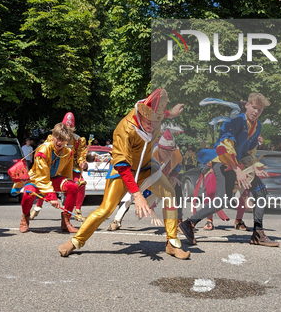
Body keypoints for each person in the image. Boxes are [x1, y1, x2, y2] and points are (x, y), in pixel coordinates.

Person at [58, 88, 190, 259]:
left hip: (146, 166)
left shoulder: (155, 115)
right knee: (106, 209)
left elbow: (161, 113)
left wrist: (171, 114)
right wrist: (137, 195)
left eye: (157, 121)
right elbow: (122, 165)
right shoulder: (125, 129)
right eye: (151, 121)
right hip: (123, 170)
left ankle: (172, 243)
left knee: (170, 194)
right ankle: (76, 241)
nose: (154, 126)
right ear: (142, 114)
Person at [178, 92, 278, 248]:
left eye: (260, 110)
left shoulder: (257, 126)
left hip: (238, 165)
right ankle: (189, 223)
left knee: (260, 192)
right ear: (246, 105)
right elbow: (225, 148)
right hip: (223, 162)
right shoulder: (234, 122)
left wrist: (255, 167)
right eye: (254, 107)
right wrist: (237, 170)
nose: (256, 112)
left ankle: (258, 233)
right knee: (222, 200)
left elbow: (248, 152)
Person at [108, 129, 183, 231]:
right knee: (130, 197)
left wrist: (174, 176)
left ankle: (178, 221)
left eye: (170, 151)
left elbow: (178, 165)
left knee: (176, 187)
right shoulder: (150, 155)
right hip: (143, 177)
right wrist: (151, 209)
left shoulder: (177, 154)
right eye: (165, 151)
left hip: (161, 177)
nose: (168, 154)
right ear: (159, 148)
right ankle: (117, 220)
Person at [14, 123, 82, 233]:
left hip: (54, 179)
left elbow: (66, 173)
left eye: (63, 140)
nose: (60, 143)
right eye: (58, 139)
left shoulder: (68, 152)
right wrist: (52, 197)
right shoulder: (43, 149)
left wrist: (68, 190)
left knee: (73, 186)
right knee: (28, 193)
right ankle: (25, 218)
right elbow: (42, 177)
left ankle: (66, 221)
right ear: (53, 136)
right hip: (37, 179)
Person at [29, 113, 88, 221]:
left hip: (69, 166)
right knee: (44, 181)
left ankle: (76, 211)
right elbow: (46, 151)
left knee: (80, 184)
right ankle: (37, 207)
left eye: (69, 129)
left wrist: (82, 163)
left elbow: (81, 155)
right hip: (53, 165)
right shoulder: (52, 138)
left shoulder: (78, 139)